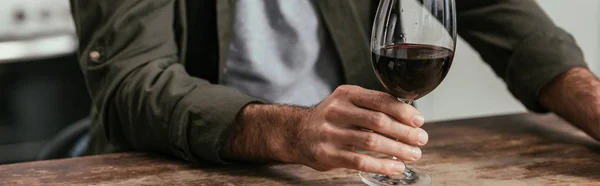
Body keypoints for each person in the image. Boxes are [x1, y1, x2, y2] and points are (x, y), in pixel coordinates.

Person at [68, 0, 598, 176]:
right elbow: (132, 84)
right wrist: (294, 132)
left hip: (349, 169)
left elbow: (495, 7)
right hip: (188, 166)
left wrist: (590, 101)